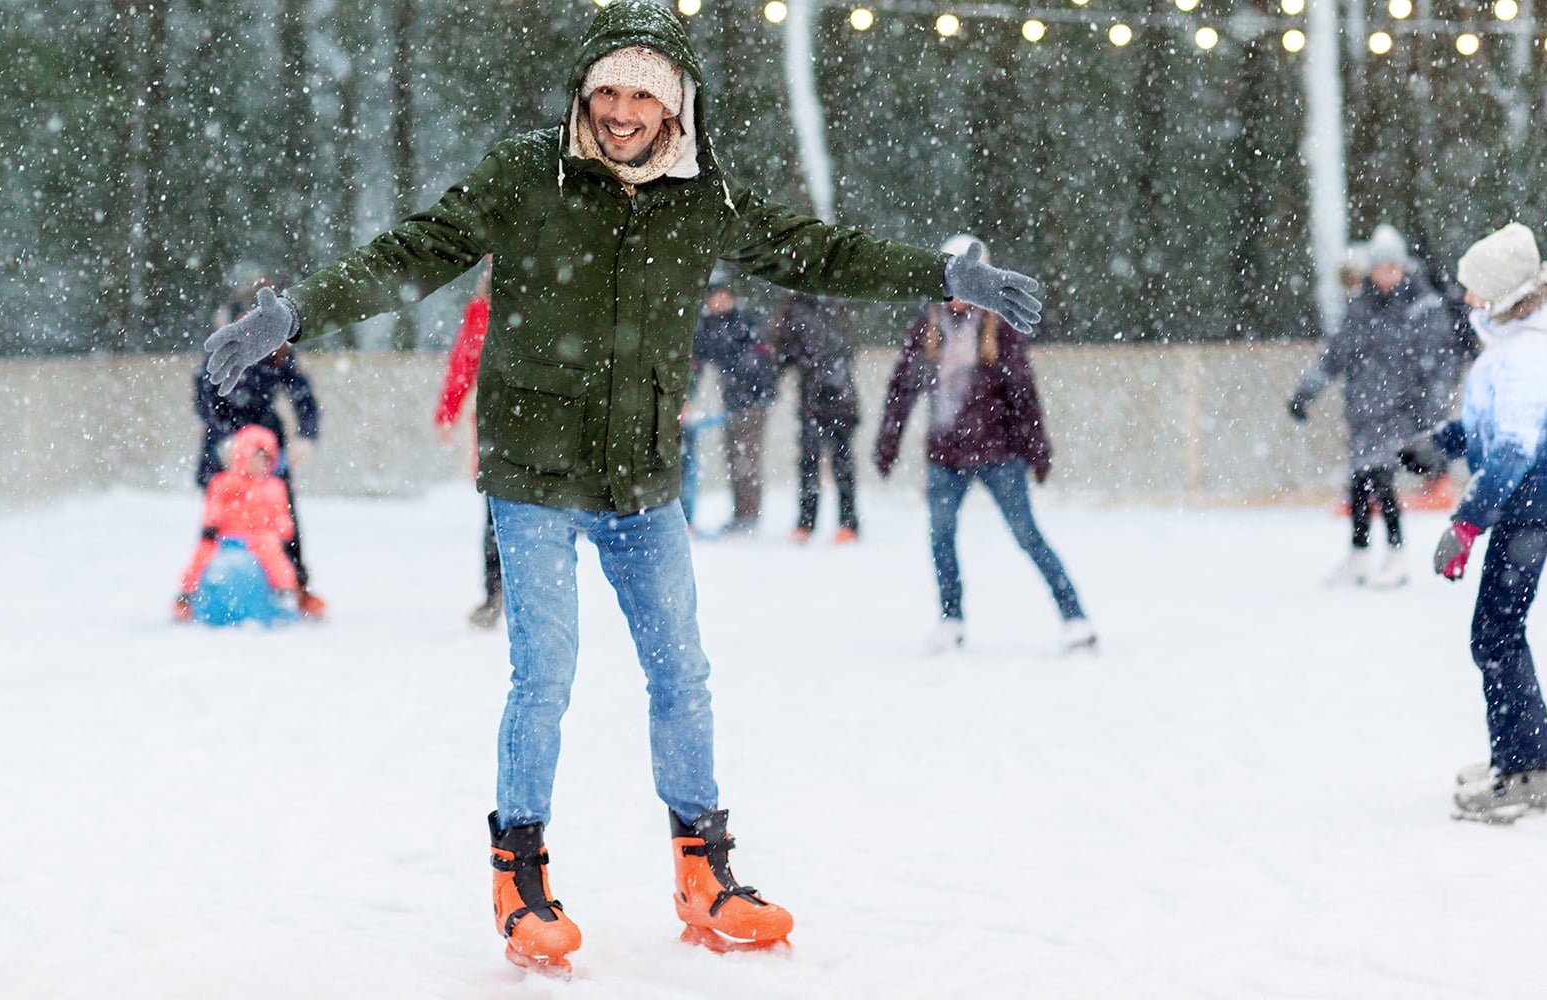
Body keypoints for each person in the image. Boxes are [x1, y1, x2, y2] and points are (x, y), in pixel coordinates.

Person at [197, 1, 1043, 975]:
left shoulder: (702, 197)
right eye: (606, 88)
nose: (621, 109)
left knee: (680, 673)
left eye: (642, 91)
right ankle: (519, 876)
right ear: (583, 93)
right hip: (534, 475)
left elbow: (822, 252)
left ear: (675, 100)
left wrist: (941, 276)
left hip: (640, 477)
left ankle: (703, 873)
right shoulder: (526, 174)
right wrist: (295, 311)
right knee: (543, 677)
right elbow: (412, 253)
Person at [1401, 222, 1547, 824]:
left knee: (1496, 634)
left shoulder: (1529, 354)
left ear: (1504, 294)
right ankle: (1518, 756)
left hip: (1530, 508)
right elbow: (1489, 430)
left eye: (1476, 289)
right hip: (1521, 505)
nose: (1467, 298)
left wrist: (1465, 524)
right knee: (1497, 633)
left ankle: (1525, 772)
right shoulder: (1512, 344)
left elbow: (1512, 451)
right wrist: (1441, 442)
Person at [873, 235, 1092, 656]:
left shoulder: (1001, 330)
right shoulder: (926, 329)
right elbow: (901, 389)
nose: (959, 294)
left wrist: (1037, 451)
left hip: (998, 454)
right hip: (945, 454)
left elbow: (1023, 395)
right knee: (940, 536)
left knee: (1027, 534)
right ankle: (951, 619)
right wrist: (889, 443)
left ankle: (1074, 616)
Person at [1287, 224, 1456, 588]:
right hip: (1362, 412)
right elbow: (1334, 356)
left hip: (1398, 413)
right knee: (1360, 483)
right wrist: (1305, 393)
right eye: (1380, 268)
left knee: (1381, 480)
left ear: (1402, 268)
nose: (1385, 276)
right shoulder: (1360, 309)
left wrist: (1430, 412)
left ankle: (1396, 554)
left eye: (1392, 268)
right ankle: (1360, 554)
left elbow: (1438, 363)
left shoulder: (1420, 307)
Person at [194, 282, 324, 618]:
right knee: (217, 521)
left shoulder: (277, 350)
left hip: (266, 443)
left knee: (282, 517)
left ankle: (295, 585)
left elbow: (302, 394)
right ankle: (198, 590)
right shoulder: (222, 346)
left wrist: (306, 436)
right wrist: (223, 439)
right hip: (224, 440)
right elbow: (205, 397)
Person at [173, 425, 301, 626]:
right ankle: (186, 595)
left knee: (274, 554)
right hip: (226, 537)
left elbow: (281, 515)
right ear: (242, 457)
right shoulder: (224, 482)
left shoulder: (274, 487)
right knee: (202, 554)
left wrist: (281, 529)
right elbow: (213, 505)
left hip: (260, 537)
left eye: (267, 460)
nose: (262, 466)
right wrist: (211, 525)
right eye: (257, 459)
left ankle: (284, 592)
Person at [434, 257, 503, 629]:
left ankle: (501, 591)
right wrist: (448, 410)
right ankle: (498, 591)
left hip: (525, 420)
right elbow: (464, 362)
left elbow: (464, 362)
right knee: (500, 510)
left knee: (503, 513)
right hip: (498, 420)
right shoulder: (483, 311)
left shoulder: (489, 310)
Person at [770, 291, 861, 544]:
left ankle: (844, 522)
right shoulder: (798, 309)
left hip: (836, 398)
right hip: (817, 400)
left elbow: (844, 349)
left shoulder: (833, 304)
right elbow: (782, 354)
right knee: (814, 462)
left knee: (836, 462)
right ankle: (811, 521)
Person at [691, 272, 776, 535]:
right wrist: (687, 397)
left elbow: (760, 359)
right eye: (714, 297)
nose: (719, 302)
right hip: (731, 401)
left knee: (745, 457)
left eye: (723, 296)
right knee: (734, 456)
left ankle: (749, 515)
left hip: (753, 400)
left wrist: (745, 379)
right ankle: (742, 512)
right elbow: (695, 364)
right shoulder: (706, 327)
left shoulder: (744, 322)